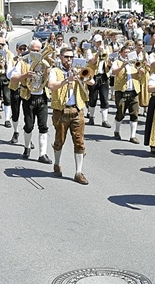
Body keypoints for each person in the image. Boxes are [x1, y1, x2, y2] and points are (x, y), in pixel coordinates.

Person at [48, 47, 94, 185]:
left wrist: (80, 76)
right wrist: (66, 81)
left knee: (79, 142)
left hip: (77, 109)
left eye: (71, 57)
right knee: (59, 140)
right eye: (66, 57)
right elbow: (51, 85)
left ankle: (78, 172)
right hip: (61, 110)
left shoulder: (78, 70)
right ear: (60, 57)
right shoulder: (55, 71)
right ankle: (57, 164)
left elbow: (92, 82)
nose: (69, 60)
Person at [11, 40, 51, 164]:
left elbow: (51, 78)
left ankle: (42, 154)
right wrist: (24, 76)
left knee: (43, 126)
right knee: (29, 125)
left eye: (38, 50)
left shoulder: (45, 62)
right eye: (33, 50)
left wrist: (49, 71)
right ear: (29, 50)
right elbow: (12, 78)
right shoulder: (22, 62)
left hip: (42, 96)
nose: (36, 52)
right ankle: (27, 147)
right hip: (28, 96)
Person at [111, 42, 144, 143]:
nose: (127, 54)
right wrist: (122, 66)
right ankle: (117, 130)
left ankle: (132, 136)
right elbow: (113, 73)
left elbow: (141, 75)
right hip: (121, 91)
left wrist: (141, 70)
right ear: (120, 53)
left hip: (133, 91)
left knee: (134, 114)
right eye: (125, 52)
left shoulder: (134, 63)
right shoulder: (116, 62)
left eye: (129, 52)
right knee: (120, 113)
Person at [86, 34, 111, 127]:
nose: (99, 44)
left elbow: (108, 61)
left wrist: (110, 62)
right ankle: (91, 117)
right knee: (93, 98)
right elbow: (91, 62)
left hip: (104, 75)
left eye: (100, 42)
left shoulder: (106, 49)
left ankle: (104, 120)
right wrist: (97, 53)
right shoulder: (89, 51)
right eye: (97, 42)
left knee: (104, 98)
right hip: (94, 76)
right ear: (94, 42)